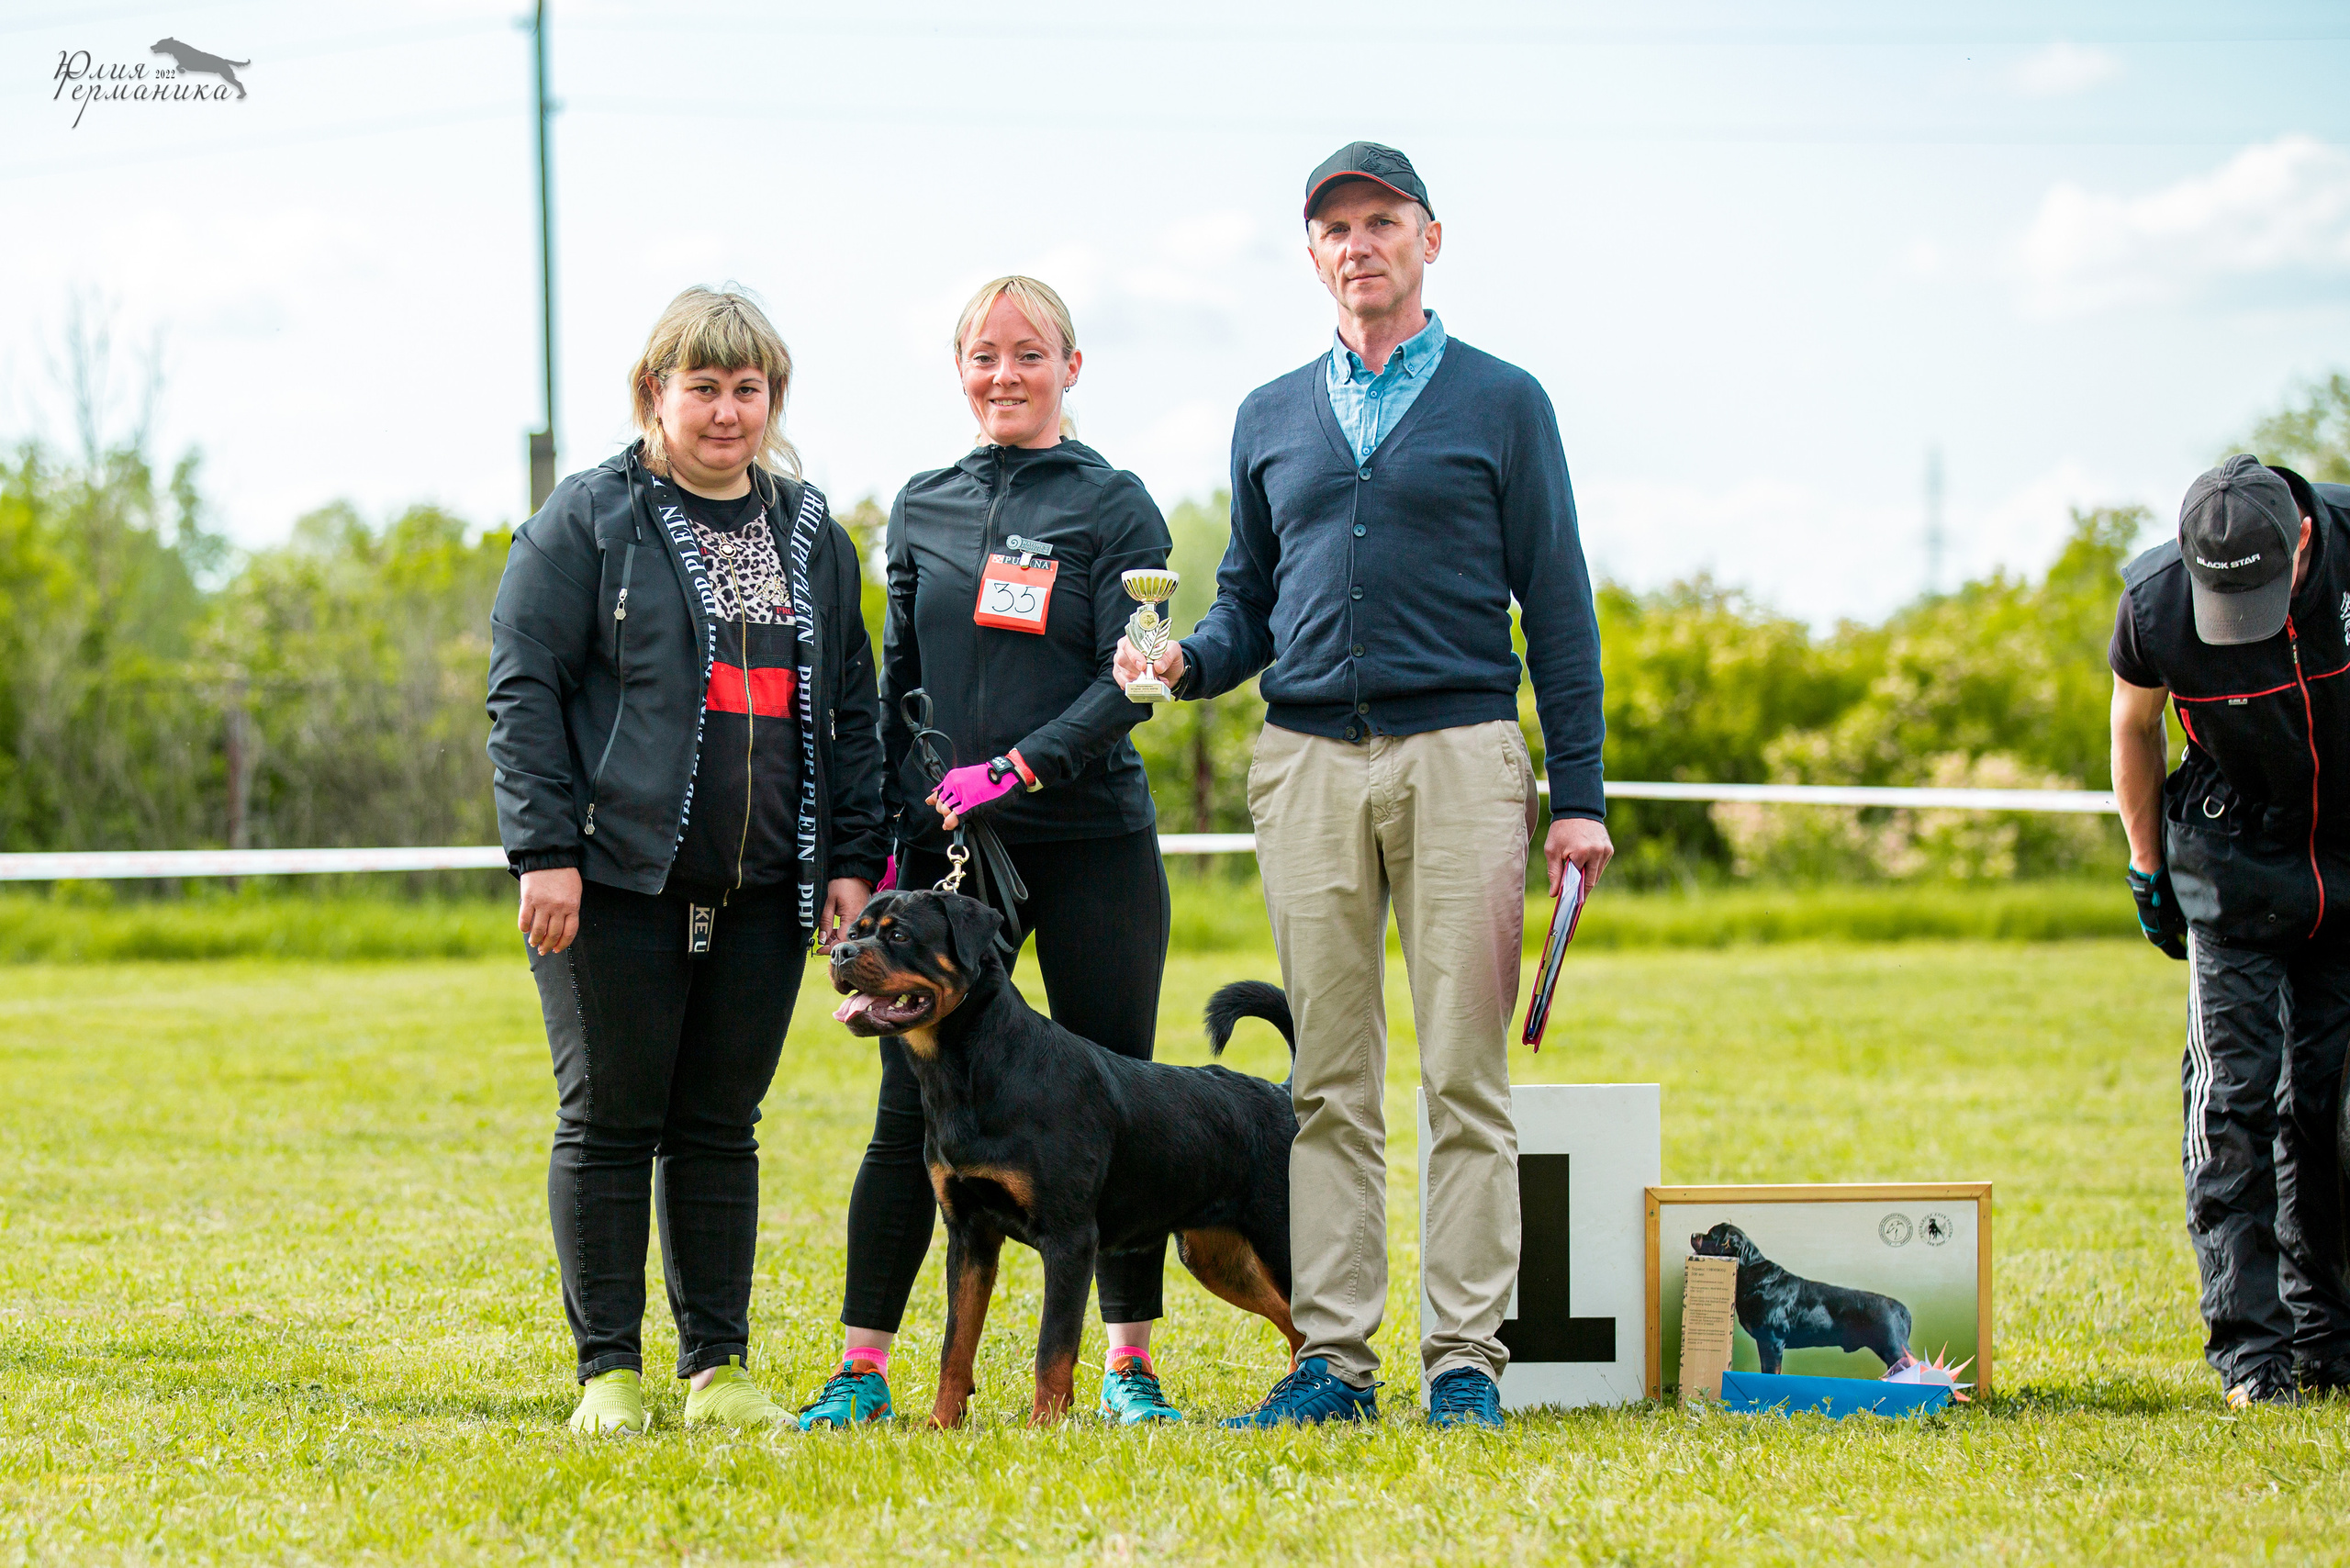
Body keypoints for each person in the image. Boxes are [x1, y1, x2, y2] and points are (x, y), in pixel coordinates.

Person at [1116, 142, 1610, 1430]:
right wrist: (1188, 660)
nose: (1359, 245)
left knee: (1465, 1079)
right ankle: (1332, 1358)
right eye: (1335, 228)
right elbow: (1246, 607)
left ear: (1430, 240)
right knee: (1328, 1085)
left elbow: (1559, 607)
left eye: (1382, 222)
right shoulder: (1270, 412)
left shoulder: (1508, 402)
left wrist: (1582, 794)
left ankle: (1465, 1364)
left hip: (1462, 758)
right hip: (1308, 765)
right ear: (1314, 251)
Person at [486, 286, 888, 1434]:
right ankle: (608, 1370)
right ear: (653, 395)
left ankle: (719, 1368)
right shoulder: (587, 517)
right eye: (701, 387)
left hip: (765, 891)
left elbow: (849, 712)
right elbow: (524, 692)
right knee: (610, 1120)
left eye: (746, 388)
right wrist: (544, 851)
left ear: (772, 399)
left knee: (720, 1125)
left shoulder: (813, 535)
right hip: (609, 883)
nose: (725, 411)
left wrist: (850, 861)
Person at [795, 276, 1183, 1430]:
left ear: (1071, 364)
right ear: (958, 368)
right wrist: (866, 857)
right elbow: (887, 696)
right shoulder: (918, 506)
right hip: (945, 855)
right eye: (981, 354)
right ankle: (861, 1368)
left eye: (1028, 353)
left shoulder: (1117, 505)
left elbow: (1135, 675)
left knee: (1120, 1101)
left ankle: (1127, 1367)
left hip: (1089, 839)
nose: (1003, 374)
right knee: (906, 1113)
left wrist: (1021, 766)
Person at [2109, 453, 2350, 1408]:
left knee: (2326, 1104)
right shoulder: (2155, 599)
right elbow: (2134, 724)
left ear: (2299, 541)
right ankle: (2251, 1353)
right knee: (2233, 1101)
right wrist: (2143, 860)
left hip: (2347, 851)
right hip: (2233, 852)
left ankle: (2329, 1338)